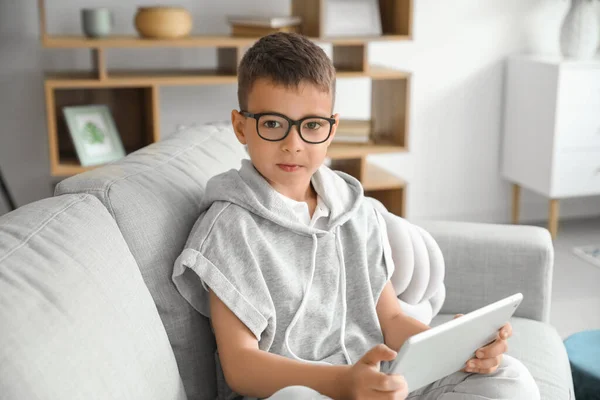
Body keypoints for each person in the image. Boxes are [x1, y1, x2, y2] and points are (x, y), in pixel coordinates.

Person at [172, 32, 540, 400]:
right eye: (272, 123)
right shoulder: (229, 228)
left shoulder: (354, 210)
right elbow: (241, 366)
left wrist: (457, 348)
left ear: (332, 128)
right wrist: (344, 382)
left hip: (379, 384)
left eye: (312, 125)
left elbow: (391, 320)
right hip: (300, 392)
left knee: (509, 377)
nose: (293, 143)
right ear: (241, 126)